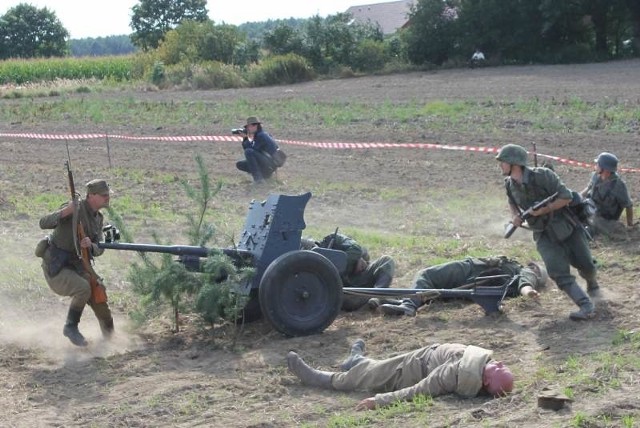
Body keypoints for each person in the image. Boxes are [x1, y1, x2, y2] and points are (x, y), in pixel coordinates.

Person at [496, 144, 599, 321]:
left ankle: (592, 283)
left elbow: (566, 196)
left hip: (567, 227)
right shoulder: (509, 184)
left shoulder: (544, 176)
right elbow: (512, 201)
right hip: (543, 233)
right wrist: (515, 216)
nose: (500, 165)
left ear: (514, 163)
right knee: (557, 272)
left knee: (586, 265)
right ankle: (585, 305)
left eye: (503, 161)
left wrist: (544, 209)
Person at [287, 339, 514, 411]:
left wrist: (378, 401)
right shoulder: (480, 365)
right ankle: (356, 359)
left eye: (499, 369)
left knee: (364, 377)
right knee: (376, 367)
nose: (500, 362)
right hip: (422, 356)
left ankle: (321, 378)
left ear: (485, 381)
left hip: (408, 372)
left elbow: (419, 390)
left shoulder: (453, 374)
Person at [35, 179, 114, 346]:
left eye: (108, 195)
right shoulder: (74, 209)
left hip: (79, 266)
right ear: (91, 196)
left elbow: (99, 247)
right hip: (57, 268)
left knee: (99, 295)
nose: (107, 198)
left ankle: (111, 339)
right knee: (83, 288)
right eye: (104, 195)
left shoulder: (98, 218)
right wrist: (66, 211)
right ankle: (70, 327)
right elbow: (43, 223)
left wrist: (90, 245)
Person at [373, 256, 548, 317]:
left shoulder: (526, 272)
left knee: (425, 275)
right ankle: (406, 302)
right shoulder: (517, 270)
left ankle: (408, 305)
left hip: (470, 270)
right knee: (432, 284)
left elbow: (525, 283)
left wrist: (529, 292)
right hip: (473, 274)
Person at [301, 232, 395, 311]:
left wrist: (353, 262)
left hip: (357, 280)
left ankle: (377, 295)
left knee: (386, 260)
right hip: (341, 291)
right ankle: (376, 298)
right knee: (348, 301)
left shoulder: (335, 238)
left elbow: (356, 249)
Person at [580, 152, 634, 239]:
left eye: (598, 164)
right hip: (591, 210)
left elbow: (628, 205)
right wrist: (578, 197)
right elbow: (588, 188)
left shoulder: (618, 185)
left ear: (605, 169)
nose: (596, 166)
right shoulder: (595, 176)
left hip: (606, 220)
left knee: (592, 227)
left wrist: (630, 225)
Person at [235, 116, 281, 184]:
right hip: (270, 164)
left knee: (249, 152)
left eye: (248, 127)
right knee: (240, 164)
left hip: (269, 165)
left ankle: (258, 180)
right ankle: (264, 177)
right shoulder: (263, 134)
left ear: (255, 126)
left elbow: (250, 149)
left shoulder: (261, 136)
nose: (247, 129)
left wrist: (245, 138)